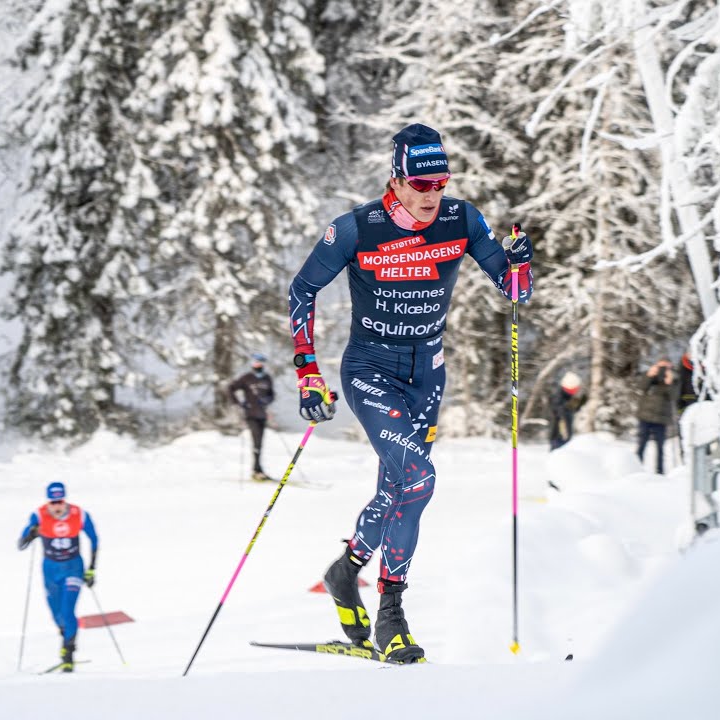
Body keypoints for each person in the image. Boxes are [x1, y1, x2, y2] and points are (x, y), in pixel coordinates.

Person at [287, 122, 534, 663]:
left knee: (400, 486)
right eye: (420, 184)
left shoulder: (462, 219)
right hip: (371, 369)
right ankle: (391, 612)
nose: (431, 195)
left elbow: (515, 291)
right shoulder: (356, 229)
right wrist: (308, 370)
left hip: (428, 373)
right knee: (419, 475)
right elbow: (302, 288)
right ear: (396, 179)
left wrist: (520, 263)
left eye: (439, 183)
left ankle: (346, 569)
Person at [17, 481, 99, 672]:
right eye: (52, 503)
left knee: (68, 609)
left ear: (65, 500)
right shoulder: (39, 515)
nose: (57, 507)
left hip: (73, 567)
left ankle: (68, 653)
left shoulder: (79, 515)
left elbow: (94, 539)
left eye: (60, 502)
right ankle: (66, 636)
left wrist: (92, 568)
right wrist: (30, 535)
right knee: (57, 614)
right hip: (50, 570)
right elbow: (20, 544)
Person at [227, 352, 276, 481]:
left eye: (261, 362)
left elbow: (272, 395)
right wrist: (239, 403)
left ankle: (258, 469)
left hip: (262, 415)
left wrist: (266, 401)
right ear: (252, 363)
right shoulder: (246, 378)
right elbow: (231, 388)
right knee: (256, 442)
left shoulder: (267, 378)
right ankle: (256, 470)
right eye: (256, 362)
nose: (258, 364)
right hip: (250, 415)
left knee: (260, 443)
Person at [636, 358, 679, 475]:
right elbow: (641, 388)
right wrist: (649, 376)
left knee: (660, 448)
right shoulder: (649, 375)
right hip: (645, 416)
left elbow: (674, 397)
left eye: (666, 367)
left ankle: (660, 472)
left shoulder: (673, 380)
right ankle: (636, 469)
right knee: (641, 445)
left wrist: (669, 382)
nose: (663, 370)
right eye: (661, 366)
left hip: (662, 419)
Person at [549, 371, 587, 451]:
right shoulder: (558, 397)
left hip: (563, 435)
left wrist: (579, 403)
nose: (577, 389)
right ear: (569, 387)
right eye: (575, 388)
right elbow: (561, 412)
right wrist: (570, 406)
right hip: (559, 437)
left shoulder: (567, 396)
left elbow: (571, 410)